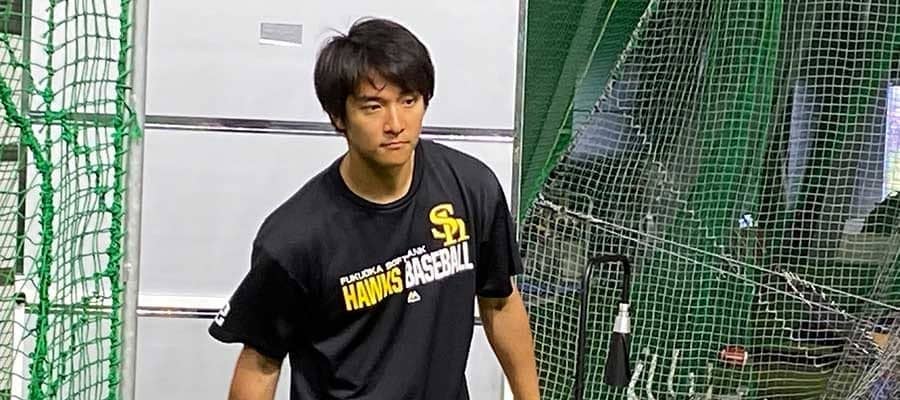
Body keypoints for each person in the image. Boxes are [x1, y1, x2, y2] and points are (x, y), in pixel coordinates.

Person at [208, 17, 541, 400]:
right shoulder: (294, 239)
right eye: (373, 106)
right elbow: (261, 364)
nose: (395, 123)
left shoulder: (471, 188)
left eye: (409, 101)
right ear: (339, 117)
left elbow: (500, 302)